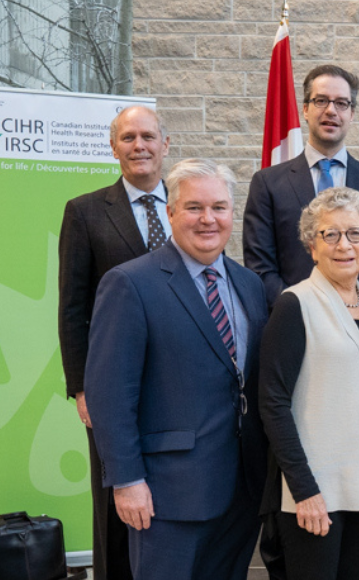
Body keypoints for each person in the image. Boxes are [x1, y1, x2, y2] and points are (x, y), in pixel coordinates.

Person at [85, 159, 268, 580]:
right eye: (194, 208)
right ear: (170, 211)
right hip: (167, 493)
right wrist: (126, 480)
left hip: (241, 488)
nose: (208, 219)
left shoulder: (250, 285)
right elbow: (109, 393)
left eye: (219, 208)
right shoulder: (130, 283)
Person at [57, 104, 172, 580]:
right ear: (113, 147)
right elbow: (72, 307)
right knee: (115, 503)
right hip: (113, 384)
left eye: (148, 136)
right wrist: (82, 386)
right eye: (128, 138)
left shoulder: (191, 206)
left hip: (180, 382)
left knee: (171, 502)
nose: (139, 146)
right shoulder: (85, 212)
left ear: (166, 145)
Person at [258, 187, 359, 580]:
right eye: (329, 234)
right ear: (311, 246)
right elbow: (273, 403)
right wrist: (304, 490)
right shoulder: (294, 304)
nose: (343, 245)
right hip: (313, 493)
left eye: (354, 233)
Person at [244, 64, 359, 309]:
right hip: (293, 323)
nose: (331, 110)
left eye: (342, 103)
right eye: (321, 101)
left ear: (352, 113)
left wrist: (357, 310)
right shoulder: (267, 183)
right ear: (306, 109)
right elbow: (260, 265)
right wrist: (298, 311)